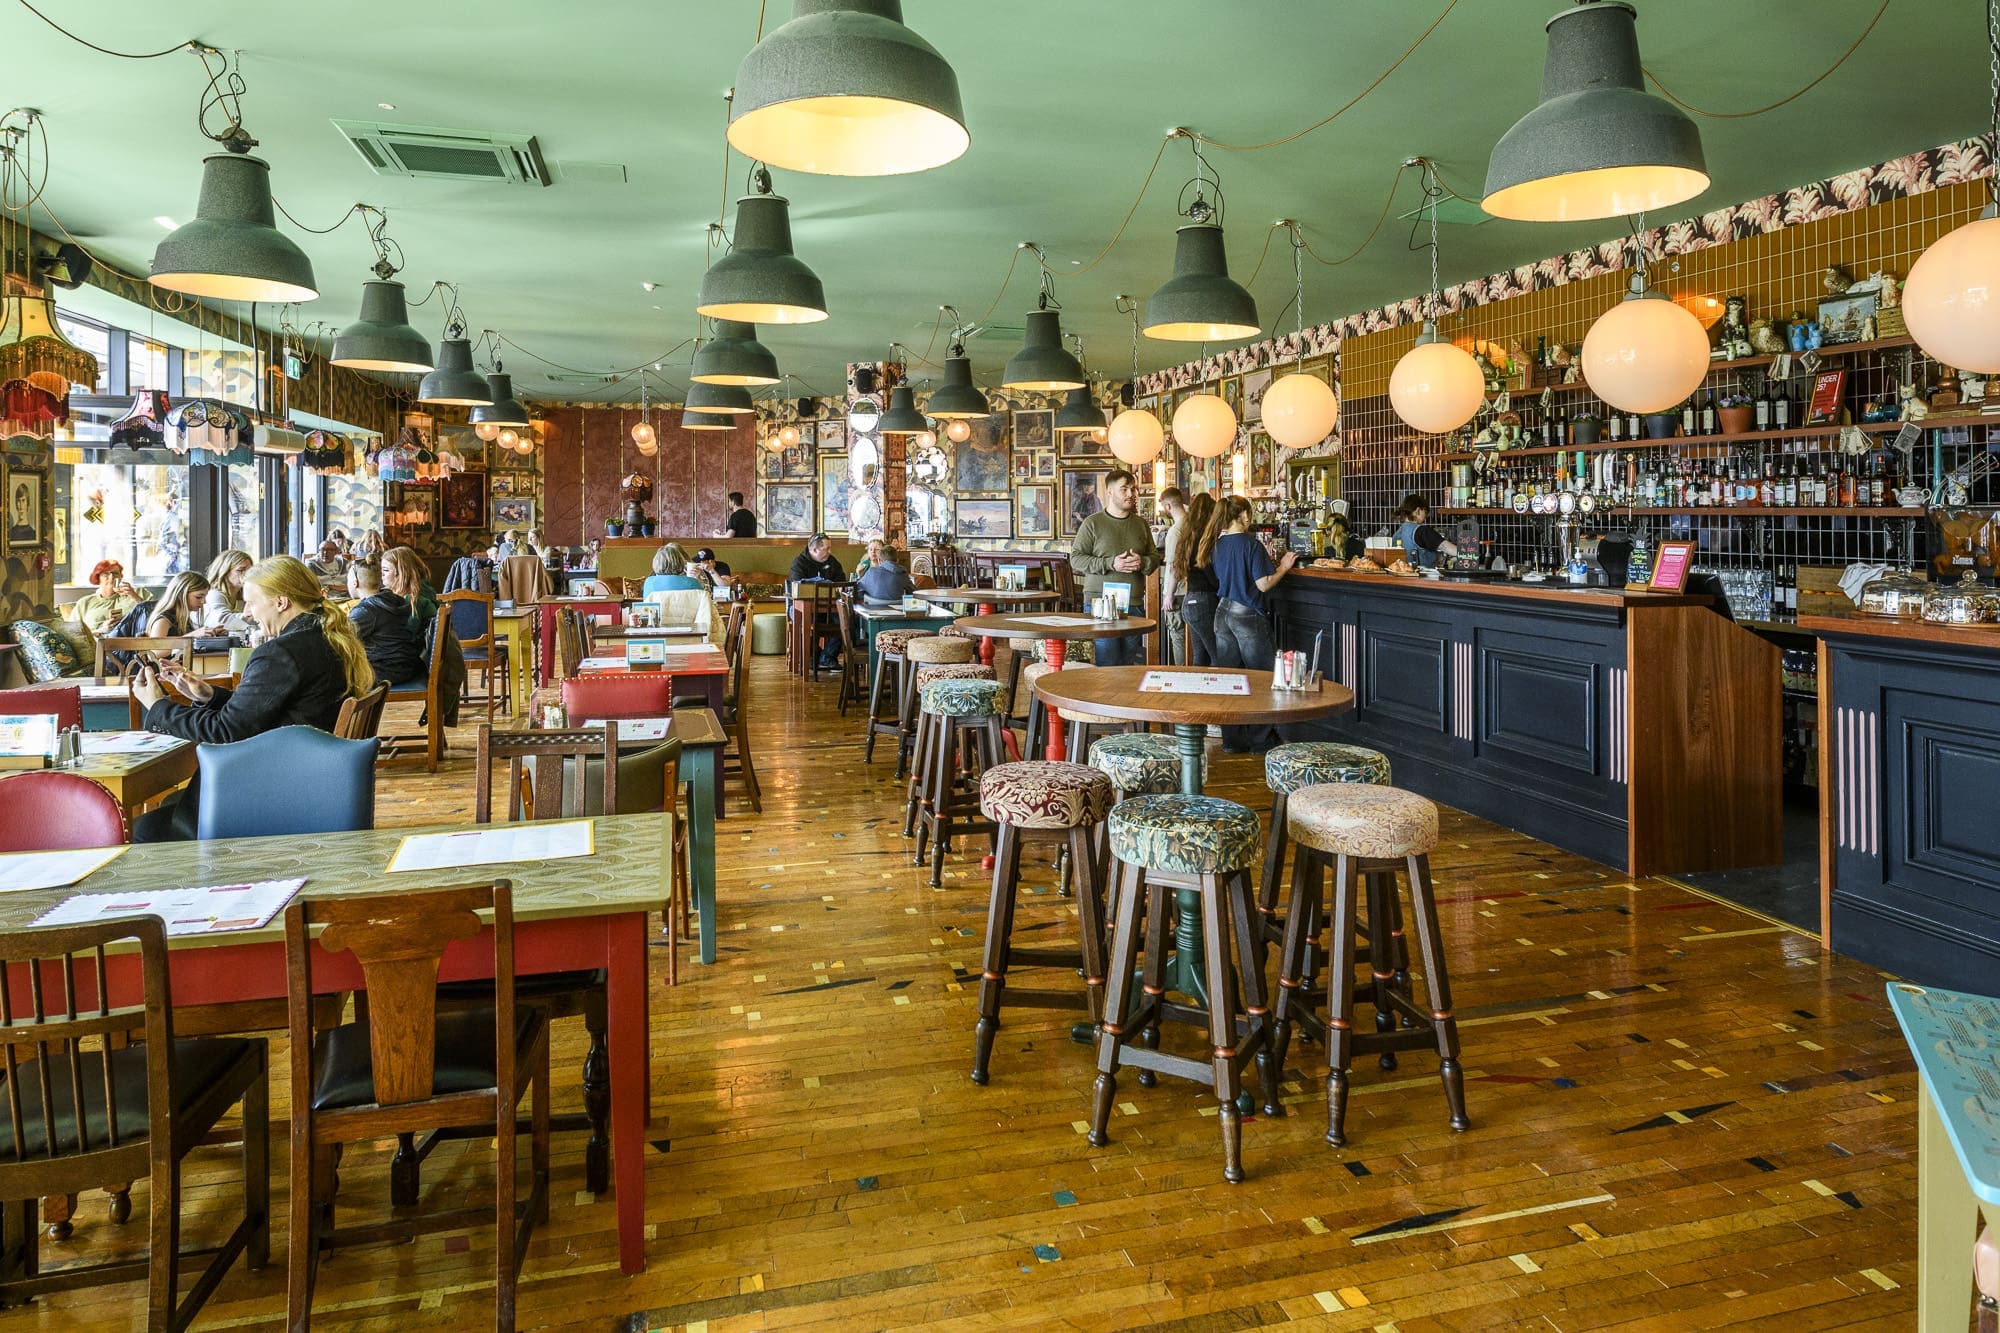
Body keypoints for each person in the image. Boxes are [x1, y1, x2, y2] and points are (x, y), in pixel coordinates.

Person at [131, 555, 372, 842]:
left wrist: (158, 706)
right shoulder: (328, 638)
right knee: (169, 806)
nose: (247, 613)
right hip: (309, 777)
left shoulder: (281, 653)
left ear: (281, 602)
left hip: (270, 789)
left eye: (252, 602)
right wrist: (209, 695)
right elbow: (271, 710)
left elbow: (226, 731)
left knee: (144, 828)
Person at [1210, 495, 1297, 751]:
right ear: (1245, 516)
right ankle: (1261, 741)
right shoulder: (1251, 545)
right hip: (1246, 612)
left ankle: (1232, 741)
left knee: (1230, 680)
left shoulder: (1217, 544)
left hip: (1222, 610)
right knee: (1262, 678)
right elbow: (1264, 584)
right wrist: (1283, 566)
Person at [1068, 468, 1159, 667]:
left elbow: (1154, 558)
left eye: (1133, 489)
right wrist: (1111, 563)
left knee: (1129, 663)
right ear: (1109, 492)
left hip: (1133, 604)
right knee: (1107, 662)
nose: (1131, 494)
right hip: (1100, 603)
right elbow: (1076, 559)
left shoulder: (1141, 524)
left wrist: (1143, 562)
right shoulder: (1093, 523)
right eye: (1124, 489)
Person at [347, 560, 427, 687]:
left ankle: (356, 706)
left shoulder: (366, 611)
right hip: (408, 665)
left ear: (354, 583)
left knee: (333, 676)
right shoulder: (395, 600)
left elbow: (343, 641)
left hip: (385, 670)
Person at [1176, 493, 1222, 667]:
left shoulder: (1187, 536)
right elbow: (1210, 574)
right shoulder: (1205, 539)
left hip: (1189, 602)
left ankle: (1196, 693)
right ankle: (1217, 694)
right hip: (1205, 602)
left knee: (1200, 657)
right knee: (1217, 657)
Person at [788, 534, 846, 670]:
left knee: (846, 620)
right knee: (806, 621)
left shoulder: (832, 562)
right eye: (827, 549)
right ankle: (812, 656)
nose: (830, 552)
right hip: (802, 607)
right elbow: (798, 588)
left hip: (829, 608)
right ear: (814, 550)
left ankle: (827, 657)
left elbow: (841, 582)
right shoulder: (799, 564)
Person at [1156, 487, 1189, 664]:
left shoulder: (1175, 532)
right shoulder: (1193, 525)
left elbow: (1174, 566)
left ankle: (1181, 672)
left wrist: (1168, 594)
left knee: (1177, 636)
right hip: (1192, 589)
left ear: (1168, 505)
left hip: (1177, 591)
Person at [382, 546, 438, 642]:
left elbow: (404, 637)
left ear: (402, 573)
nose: (381, 574)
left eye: (386, 570)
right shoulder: (423, 591)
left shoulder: (414, 600)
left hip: (413, 654)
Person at [75, 560, 144, 635]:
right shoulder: (84, 603)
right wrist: (101, 630)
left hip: (131, 641)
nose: (111, 577)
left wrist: (134, 596)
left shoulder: (138, 592)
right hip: (97, 643)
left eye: (115, 573)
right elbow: (73, 634)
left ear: (121, 576)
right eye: (105, 574)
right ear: (98, 578)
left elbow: (153, 616)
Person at [1392, 494, 1458, 570]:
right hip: (1425, 579)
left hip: (1402, 578)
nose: (1425, 516)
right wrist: (1469, 553)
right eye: (1425, 512)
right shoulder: (1421, 531)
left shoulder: (1396, 535)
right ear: (1418, 511)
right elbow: (1452, 550)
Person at [202, 549, 256, 638]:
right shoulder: (214, 593)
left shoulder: (243, 594)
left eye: (249, 570)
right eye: (240, 570)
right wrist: (248, 616)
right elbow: (222, 621)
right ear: (224, 571)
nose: (247, 574)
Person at [144, 571, 214, 639]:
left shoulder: (183, 618)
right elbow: (157, 650)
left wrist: (210, 633)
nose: (203, 602)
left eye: (205, 597)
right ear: (181, 594)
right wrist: (192, 635)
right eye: (198, 597)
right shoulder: (163, 620)